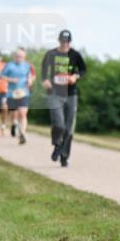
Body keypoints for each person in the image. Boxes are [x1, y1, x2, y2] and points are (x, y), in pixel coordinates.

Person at [42, 30, 86, 167]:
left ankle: (64, 156)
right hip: (55, 93)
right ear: (58, 40)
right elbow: (44, 69)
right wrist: (45, 80)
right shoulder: (51, 54)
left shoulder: (75, 55)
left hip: (71, 94)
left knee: (68, 128)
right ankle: (57, 143)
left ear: (70, 42)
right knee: (59, 124)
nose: (64, 44)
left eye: (67, 42)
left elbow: (83, 70)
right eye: (62, 41)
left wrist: (75, 76)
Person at [1, 48, 33, 145]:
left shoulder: (27, 66)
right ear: (15, 57)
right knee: (14, 113)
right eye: (18, 56)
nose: (19, 58)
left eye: (21, 57)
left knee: (23, 113)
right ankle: (14, 124)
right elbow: (2, 76)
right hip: (11, 94)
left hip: (23, 93)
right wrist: (11, 80)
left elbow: (29, 76)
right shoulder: (9, 65)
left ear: (24, 57)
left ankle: (22, 133)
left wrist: (30, 80)